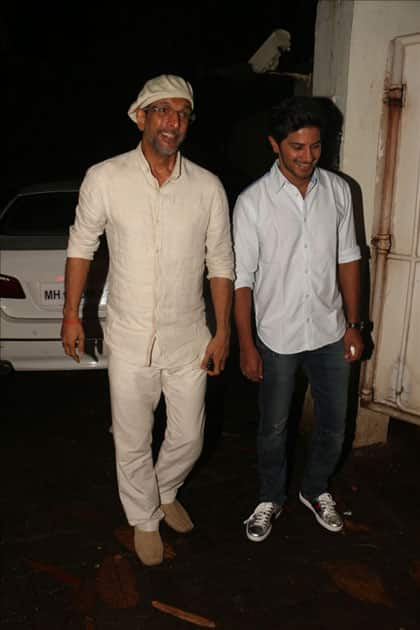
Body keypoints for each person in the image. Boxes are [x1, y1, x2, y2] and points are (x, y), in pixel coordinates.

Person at [61, 74, 234, 565]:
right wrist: (71, 315)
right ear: (141, 117)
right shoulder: (105, 177)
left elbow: (220, 261)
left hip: (189, 338)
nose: (172, 122)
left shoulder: (207, 187)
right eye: (162, 111)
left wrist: (222, 331)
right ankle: (144, 518)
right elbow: (81, 246)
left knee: (189, 435)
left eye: (181, 113)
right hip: (130, 336)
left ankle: (164, 490)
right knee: (133, 437)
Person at [232, 96, 363, 542]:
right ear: (275, 145)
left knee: (334, 421)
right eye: (296, 147)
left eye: (314, 146)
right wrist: (246, 345)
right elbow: (241, 281)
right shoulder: (252, 203)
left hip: (329, 330)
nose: (307, 157)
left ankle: (314, 488)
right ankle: (270, 496)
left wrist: (354, 323)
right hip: (277, 335)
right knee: (274, 426)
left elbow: (349, 258)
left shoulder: (339, 191)